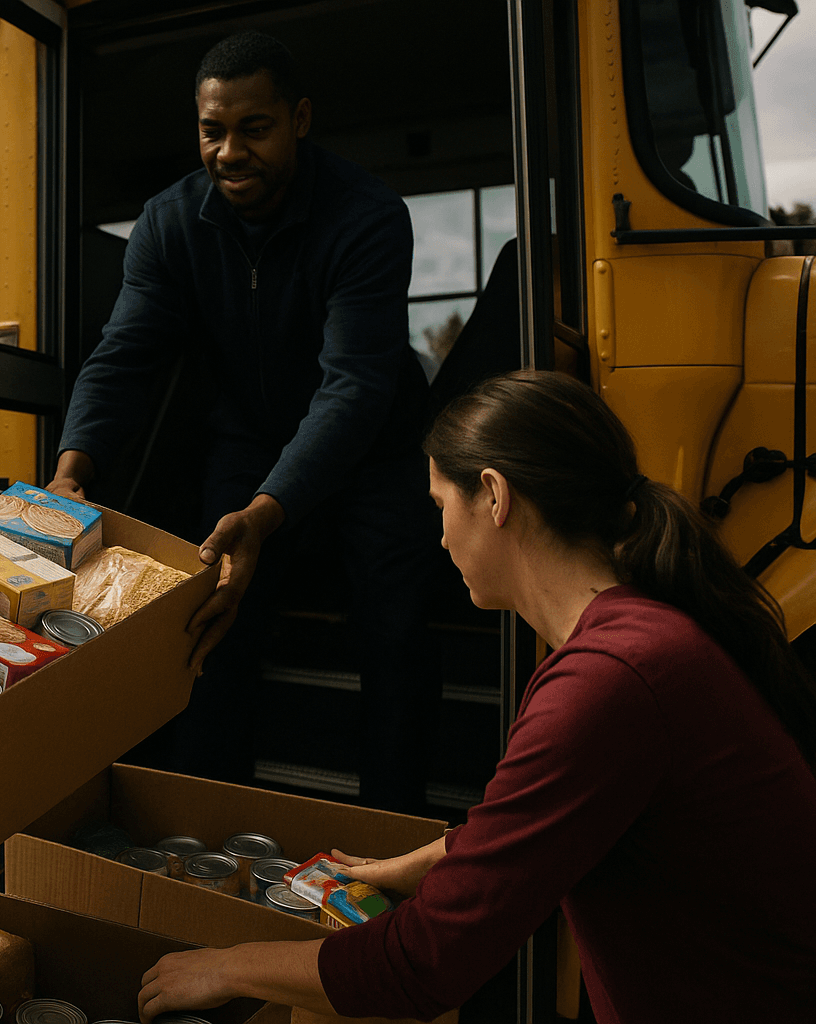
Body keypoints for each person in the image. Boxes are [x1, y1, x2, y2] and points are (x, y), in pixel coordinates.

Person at [136, 370, 816, 1023]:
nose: (437, 536)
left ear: (494, 495)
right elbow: (536, 820)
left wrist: (223, 967)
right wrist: (418, 862)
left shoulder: (610, 680)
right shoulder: (636, 641)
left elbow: (421, 964)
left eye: (440, 506)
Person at [48, 31, 439, 809]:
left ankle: (391, 836)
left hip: (377, 452)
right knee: (213, 623)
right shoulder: (167, 224)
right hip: (249, 442)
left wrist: (263, 516)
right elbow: (124, 356)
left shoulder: (367, 215)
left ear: (298, 119)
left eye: (253, 129)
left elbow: (355, 387)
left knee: (396, 635)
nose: (229, 151)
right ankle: (211, 828)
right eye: (210, 130)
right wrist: (70, 473)